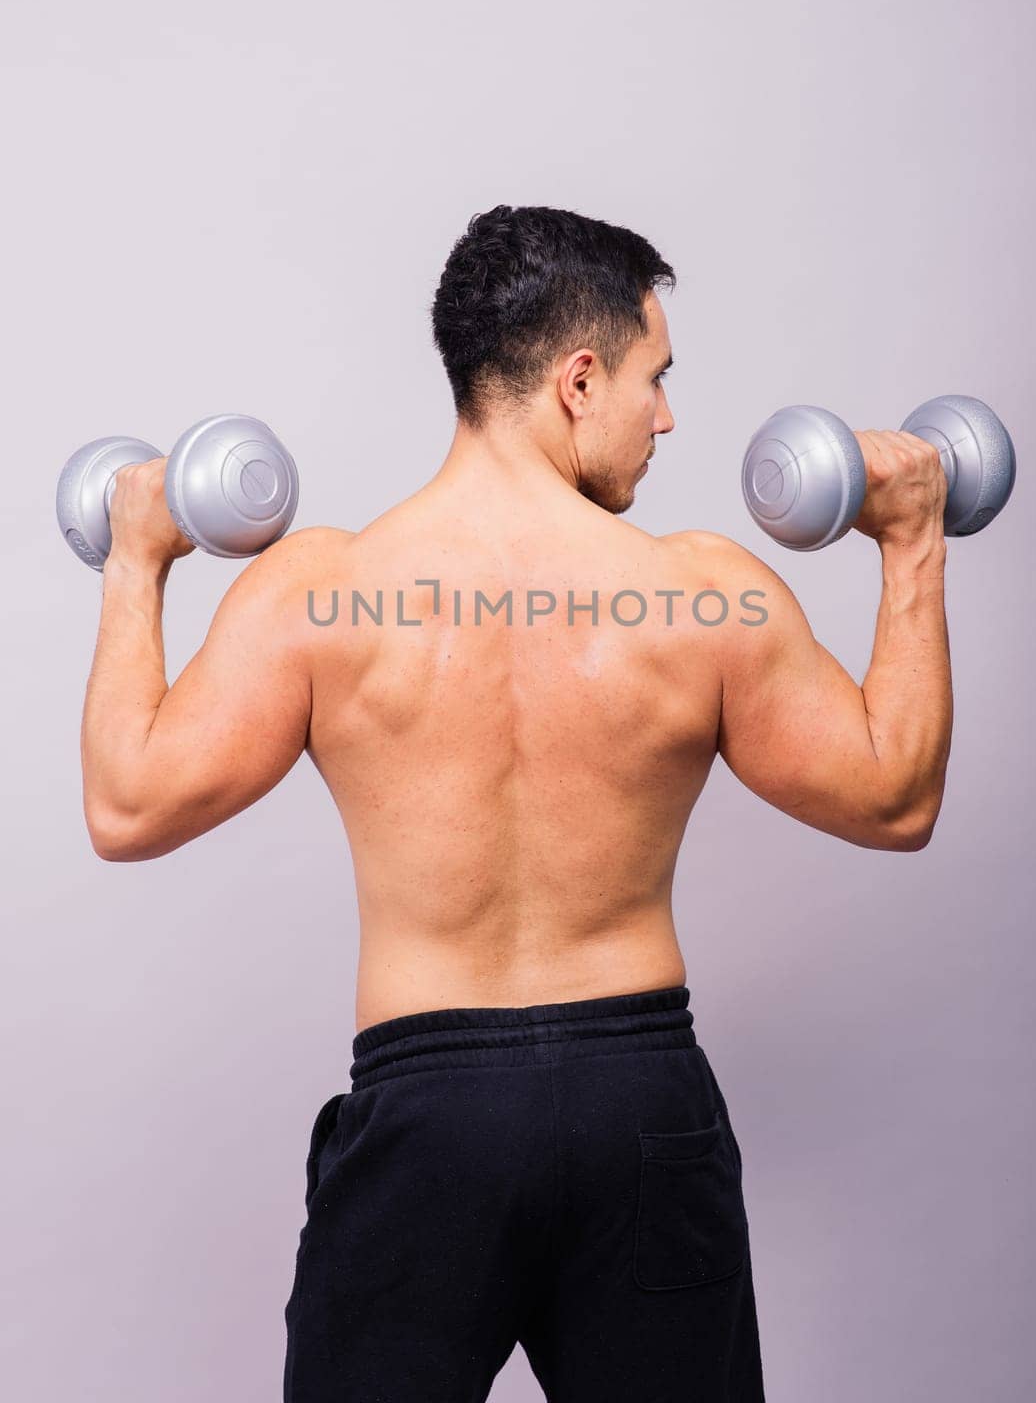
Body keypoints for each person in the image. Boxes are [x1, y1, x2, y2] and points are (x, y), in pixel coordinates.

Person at [80, 204, 951, 1401]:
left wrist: (137, 557)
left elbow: (126, 807)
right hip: (638, 1107)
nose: (669, 417)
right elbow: (895, 796)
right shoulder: (701, 594)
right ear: (578, 379)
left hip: (425, 1116)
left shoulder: (320, 595)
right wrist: (912, 546)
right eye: (656, 378)